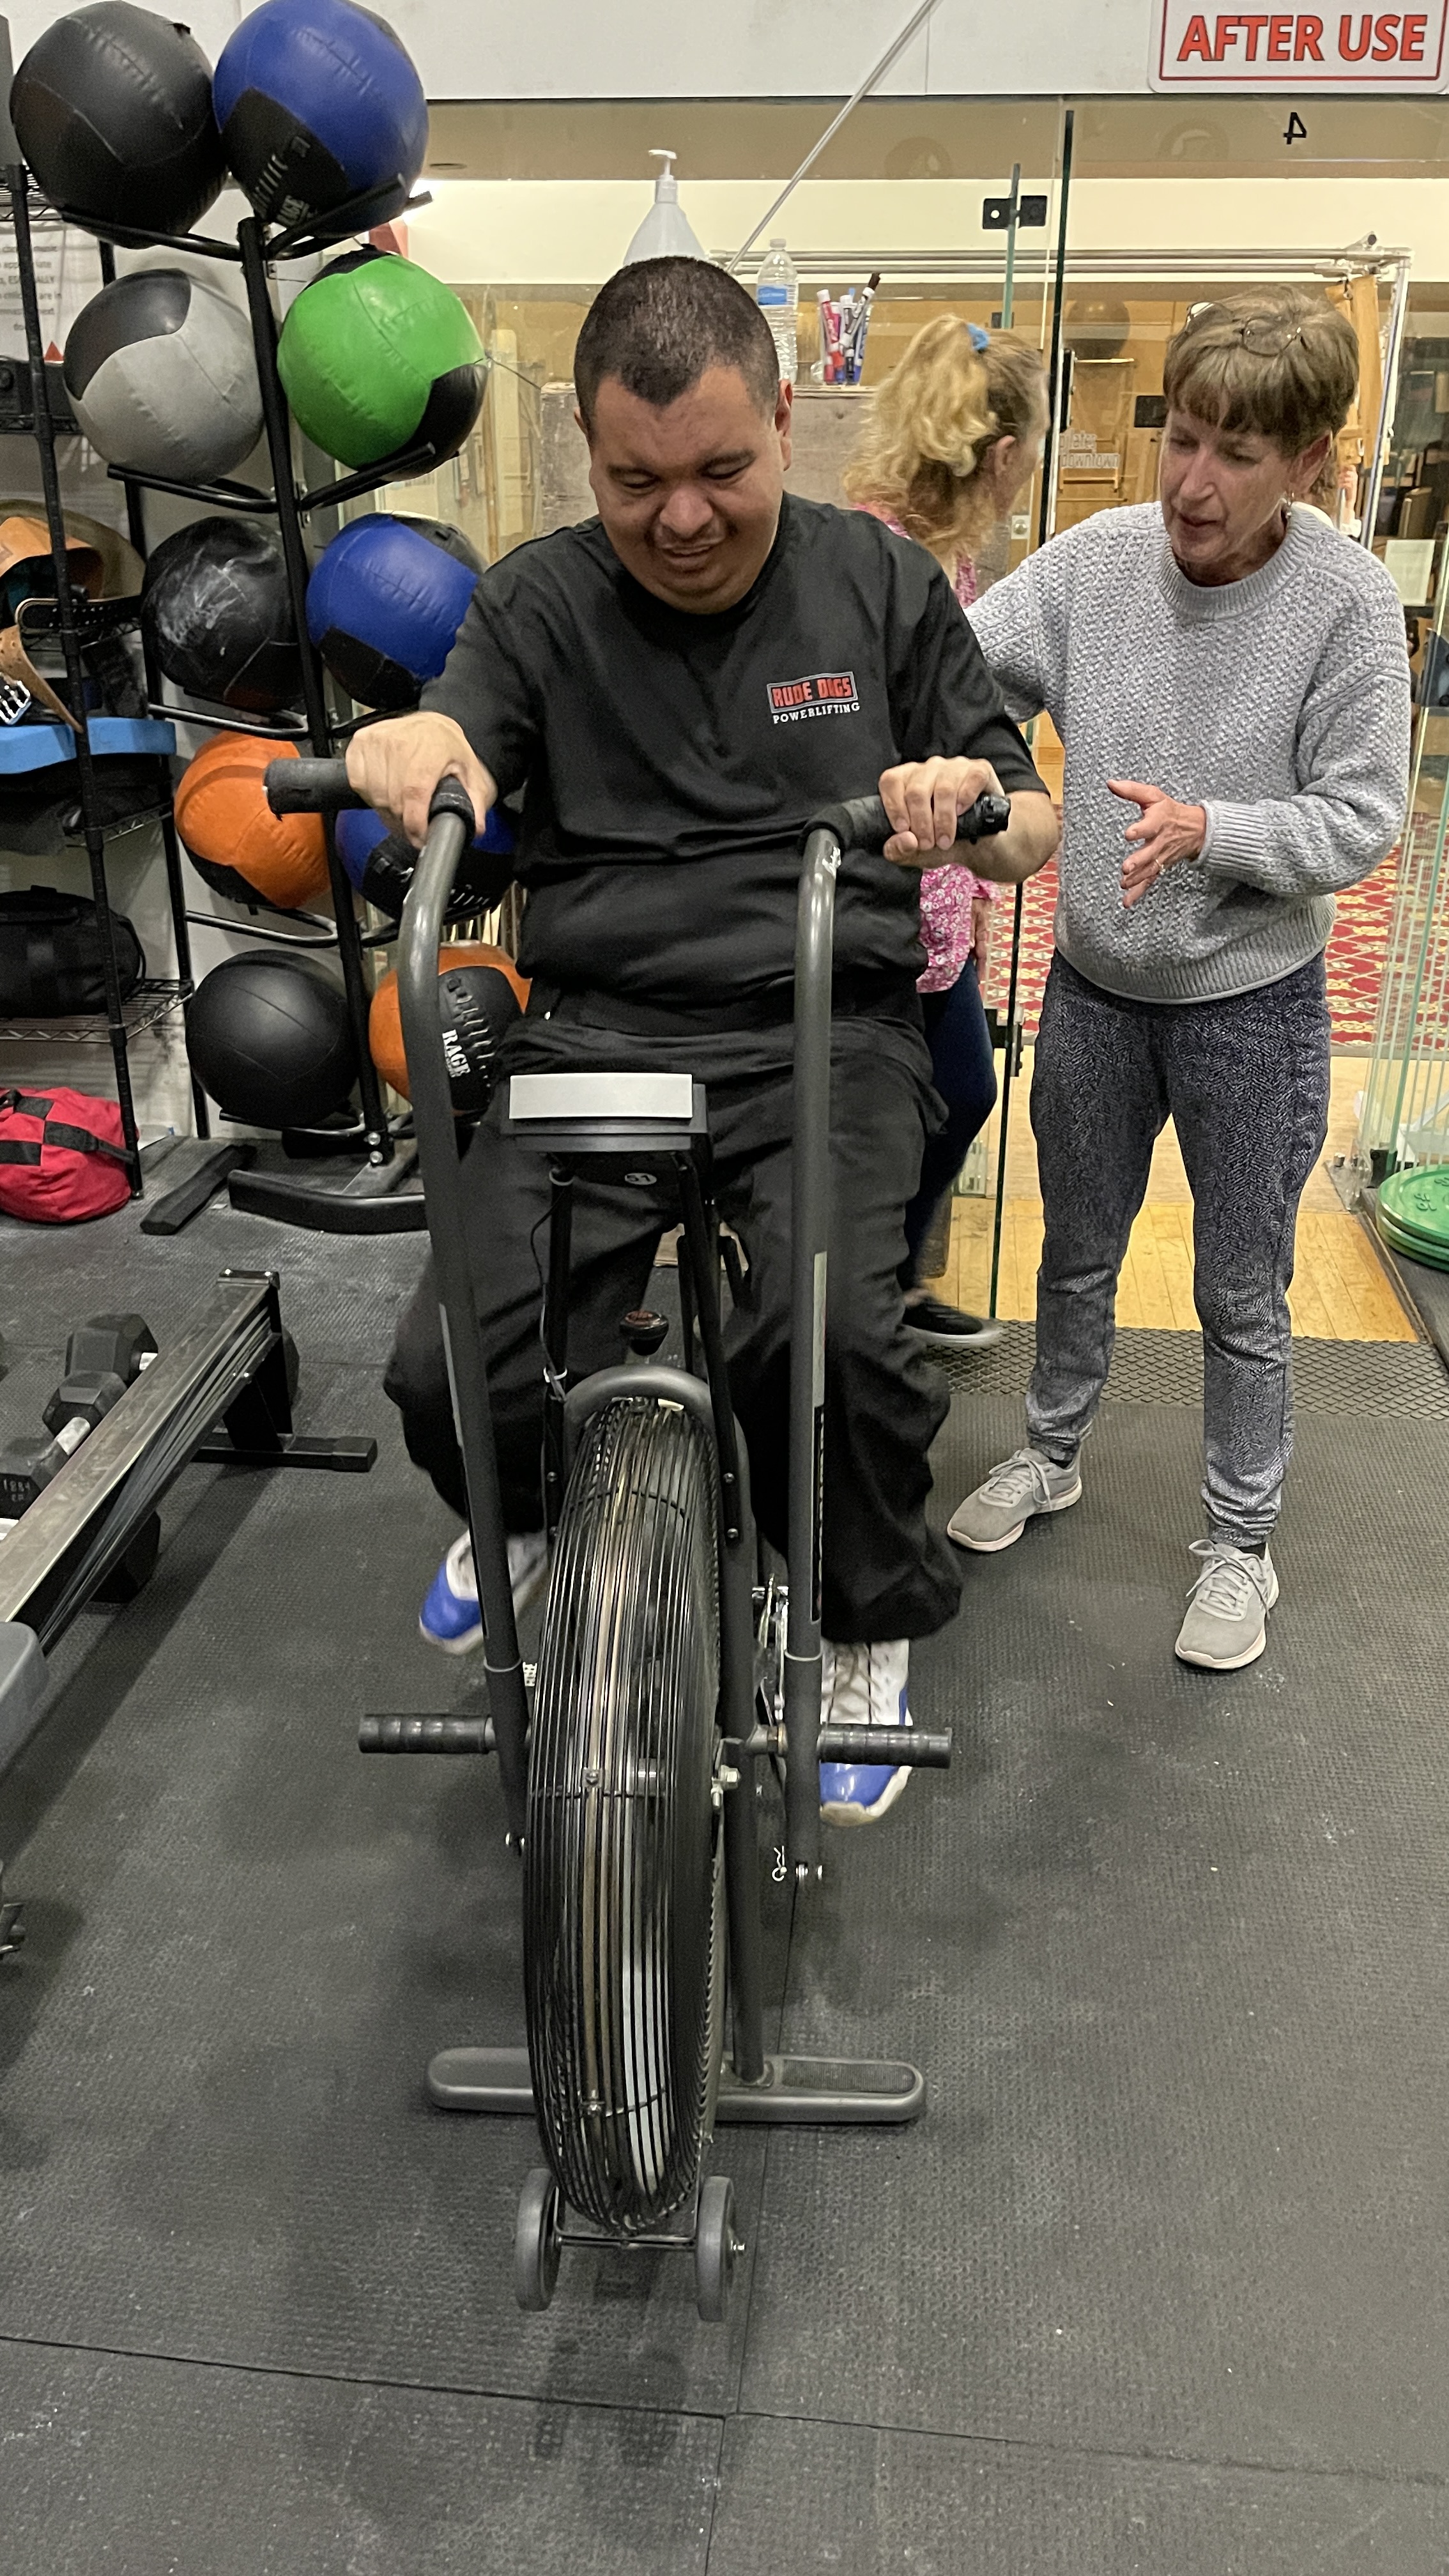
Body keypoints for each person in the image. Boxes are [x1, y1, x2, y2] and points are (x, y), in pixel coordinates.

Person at [349, 257, 1060, 1823]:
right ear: (590, 455)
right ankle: (529, 1512)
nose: (681, 517)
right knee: (444, 1362)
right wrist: (410, 742)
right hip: (599, 1029)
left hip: (824, 1020)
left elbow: (1028, 824)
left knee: (828, 1340)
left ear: (785, 421)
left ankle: (860, 1619)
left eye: (722, 470)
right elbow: (458, 731)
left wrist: (968, 803)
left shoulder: (881, 587)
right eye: (637, 482)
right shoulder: (539, 599)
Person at [948, 286, 1410, 1669]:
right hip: (1094, 990)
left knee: (1241, 1289)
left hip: (1253, 1012)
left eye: (1238, 455)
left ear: (1309, 463)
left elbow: (1364, 816)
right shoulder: (1096, 564)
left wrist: (1217, 830)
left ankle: (1241, 1540)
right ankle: (1051, 1452)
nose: (1194, 484)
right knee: (1074, 1252)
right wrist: (982, 765)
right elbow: (959, 669)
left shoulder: (1344, 602)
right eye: (1183, 439)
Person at [843, 316, 1050, 1349]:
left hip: (938, 885)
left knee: (959, 1092)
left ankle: (891, 1291)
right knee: (931, 1100)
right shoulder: (877, 559)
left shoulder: (941, 560)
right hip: (882, 888)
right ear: (1004, 455)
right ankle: (866, 1300)